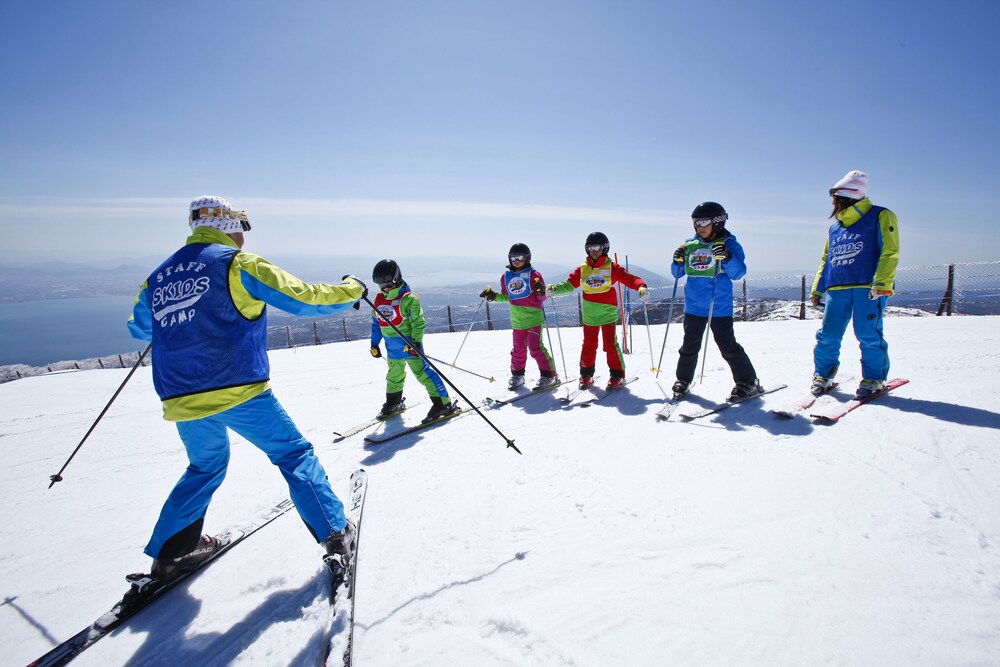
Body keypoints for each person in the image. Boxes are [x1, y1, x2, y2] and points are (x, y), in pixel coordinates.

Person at [126, 195, 365, 584]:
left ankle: (169, 559)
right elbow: (302, 299)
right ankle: (336, 535)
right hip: (237, 387)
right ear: (226, 224)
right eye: (241, 226)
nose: (243, 236)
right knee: (292, 453)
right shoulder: (237, 265)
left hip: (180, 395)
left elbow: (139, 327)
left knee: (203, 467)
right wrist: (351, 289)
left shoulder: (158, 276)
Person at [810, 170, 900, 398]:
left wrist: (882, 282)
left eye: (834, 199)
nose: (832, 203)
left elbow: (890, 251)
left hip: (868, 288)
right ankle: (823, 374)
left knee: (868, 334)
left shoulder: (881, 215)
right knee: (828, 334)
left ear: (845, 197)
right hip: (837, 288)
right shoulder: (835, 228)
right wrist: (818, 289)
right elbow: (827, 259)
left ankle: (874, 378)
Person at [671, 202, 761, 401]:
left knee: (727, 346)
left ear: (718, 222)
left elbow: (739, 273)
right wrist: (677, 260)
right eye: (696, 222)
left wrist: (727, 257)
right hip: (694, 306)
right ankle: (683, 379)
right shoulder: (690, 245)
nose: (699, 227)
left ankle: (748, 381)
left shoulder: (729, 244)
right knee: (689, 346)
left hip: (719, 306)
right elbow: (677, 274)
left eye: (704, 222)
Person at [547, 232, 648, 390]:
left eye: (597, 247)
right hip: (589, 315)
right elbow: (569, 284)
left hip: (607, 313)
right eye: (590, 248)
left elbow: (630, 278)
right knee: (588, 345)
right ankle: (586, 374)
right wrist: (555, 289)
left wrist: (641, 287)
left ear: (605, 248)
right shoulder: (583, 269)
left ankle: (617, 375)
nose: (594, 251)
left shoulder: (611, 268)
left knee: (610, 345)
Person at [369, 259, 460, 424]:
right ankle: (393, 403)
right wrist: (374, 343)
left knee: (423, 374)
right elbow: (376, 324)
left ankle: (443, 404)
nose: (384, 289)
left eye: (387, 284)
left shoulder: (409, 299)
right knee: (394, 376)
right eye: (380, 285)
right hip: (392, 348)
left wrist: (416, 342)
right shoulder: (379, 299)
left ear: (396, 279)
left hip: (409, 345)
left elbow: (418, 323)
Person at [479, 243, 558, 391]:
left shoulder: (534, 275)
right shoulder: (506, 276)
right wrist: (493, 296)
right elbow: (507, 296)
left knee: (535, 348)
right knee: (518, 350)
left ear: (527, 258)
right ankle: (518, 375)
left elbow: (543, 297)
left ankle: (549, 375)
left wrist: (542, 292)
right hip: (517, 321)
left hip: (533, 319)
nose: (517, 260)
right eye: (513, 257)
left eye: (520, 257)